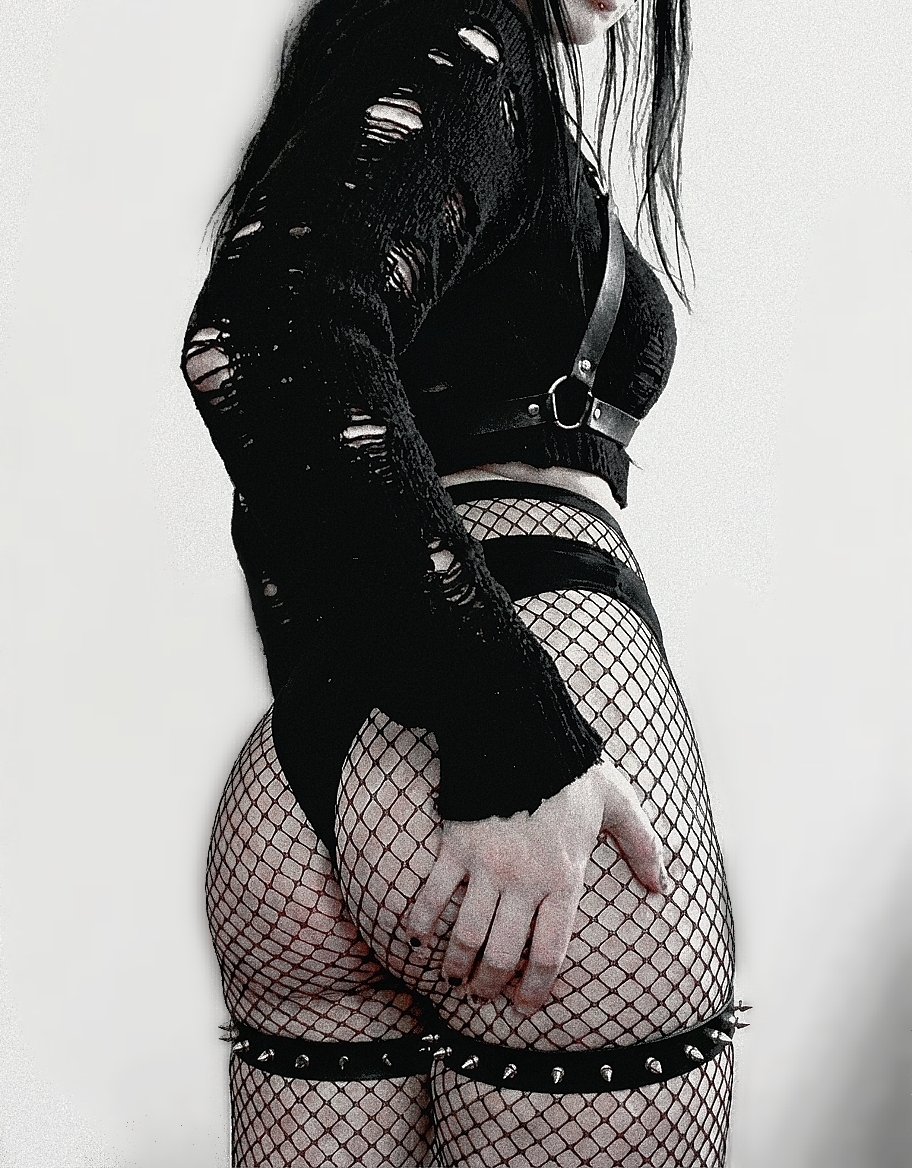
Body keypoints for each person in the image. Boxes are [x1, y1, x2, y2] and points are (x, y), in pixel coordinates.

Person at [182, 0, 739, 1163]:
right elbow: (272, 333)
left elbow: (289, 415)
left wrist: (341, 719)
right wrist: (517, 735)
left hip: (316, 778)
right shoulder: (470, 32)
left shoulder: (395, 52)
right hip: (513, 740)